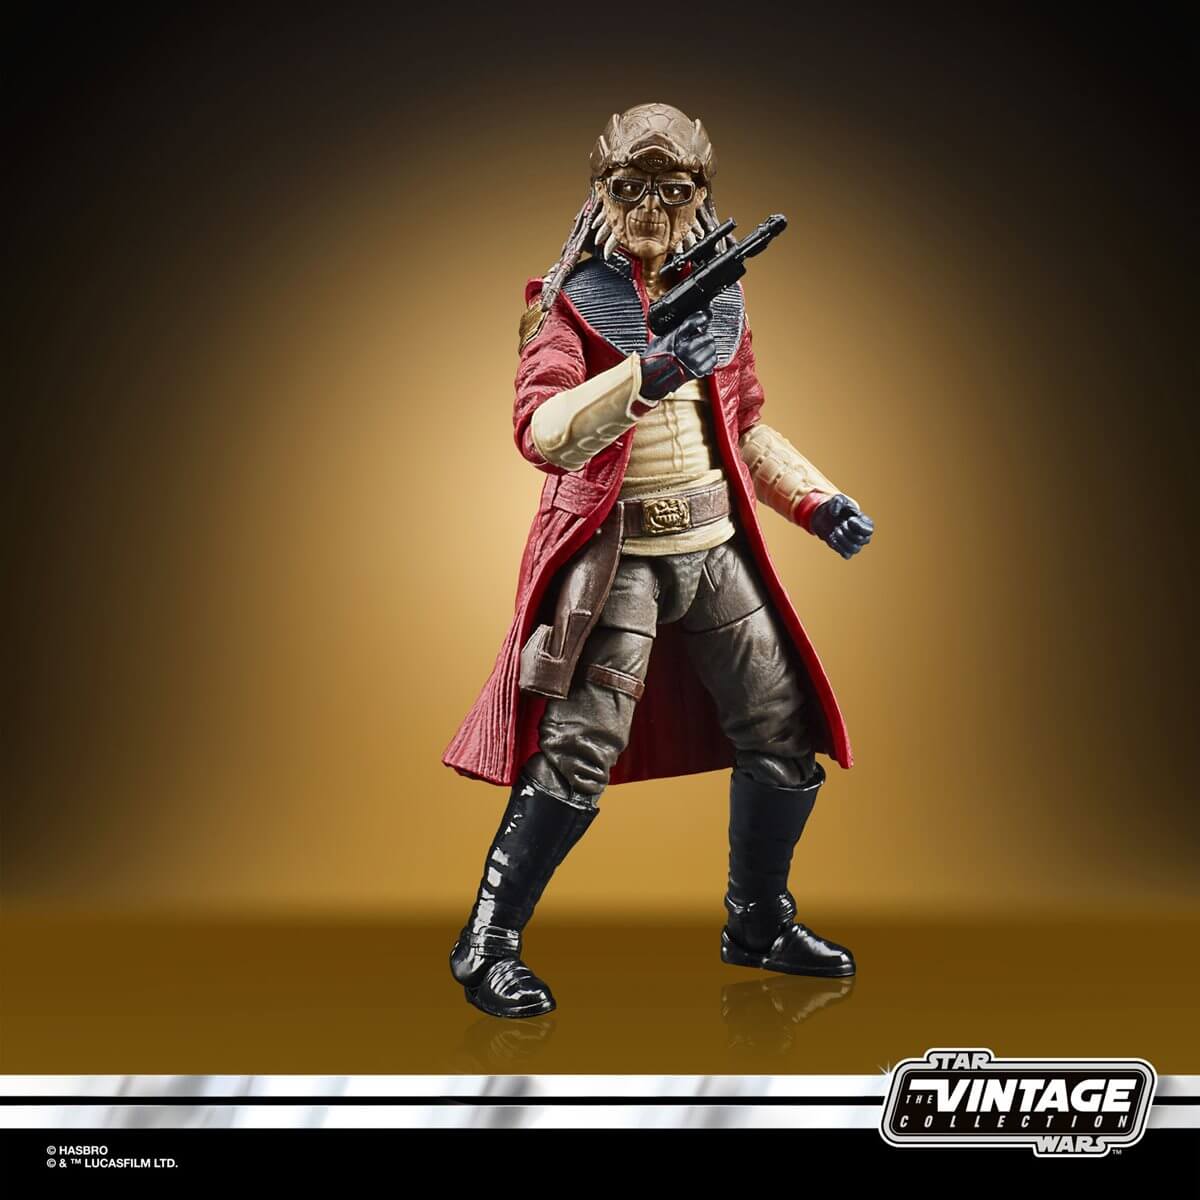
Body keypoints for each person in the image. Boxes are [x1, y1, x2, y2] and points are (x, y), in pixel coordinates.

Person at [442, 103, 874, 1019]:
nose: (650, 208)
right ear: (600, 193)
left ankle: (758, 921)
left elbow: (743, 427)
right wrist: (645, 374)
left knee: (781, 728)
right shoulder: (566, 303)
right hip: (618, 556)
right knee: (577, 748)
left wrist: (817, 500)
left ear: (700, 198)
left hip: (714, 546)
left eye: (673, 190)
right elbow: (542, 431)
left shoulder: (721, 300)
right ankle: (487, 944)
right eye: (629, 187)